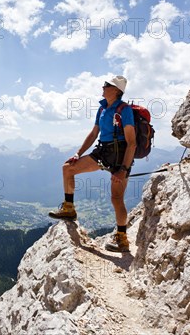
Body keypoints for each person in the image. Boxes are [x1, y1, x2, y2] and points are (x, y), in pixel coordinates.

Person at [49, 75, 136, 252]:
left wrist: (123, 169)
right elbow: (94, 133)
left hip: (119, 156)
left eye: (107, 85)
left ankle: (122, 239)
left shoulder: (124, 110)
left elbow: (132, 142)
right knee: (68, 169)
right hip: (103, 151)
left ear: (117, 90)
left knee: (117, 198)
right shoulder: (102, 109)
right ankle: (69, 208)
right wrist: (77, 153)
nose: (103, 87)